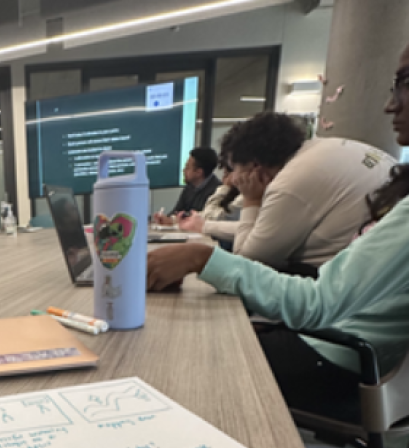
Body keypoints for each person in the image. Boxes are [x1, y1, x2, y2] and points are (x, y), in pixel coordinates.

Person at [147, 42, 409, 425]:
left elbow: (312, 301)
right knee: (219, 327)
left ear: (254, 164)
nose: (391, 104)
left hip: (337, 356)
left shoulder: (295, 178)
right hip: (346, 341)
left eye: (402, 82)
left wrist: (199, 256)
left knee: (186, 351)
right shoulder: (317, 157)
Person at [200, 113, 394, 271]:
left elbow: (246, 262)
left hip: (338, 283)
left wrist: (251, 200)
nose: (233, 179)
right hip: (382, 270)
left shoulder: (289, 183)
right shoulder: (319, 149)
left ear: (255, 166)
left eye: (235, 169)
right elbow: (264, 231)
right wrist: (205, 226)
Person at [152, 147, 221, 223]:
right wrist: (165, 219)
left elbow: (200, 218)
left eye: (187, 167)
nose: (183, 170)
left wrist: (173, 220)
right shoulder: (189, 187)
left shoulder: (217, 191)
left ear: (199, 172)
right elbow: (176, 211)